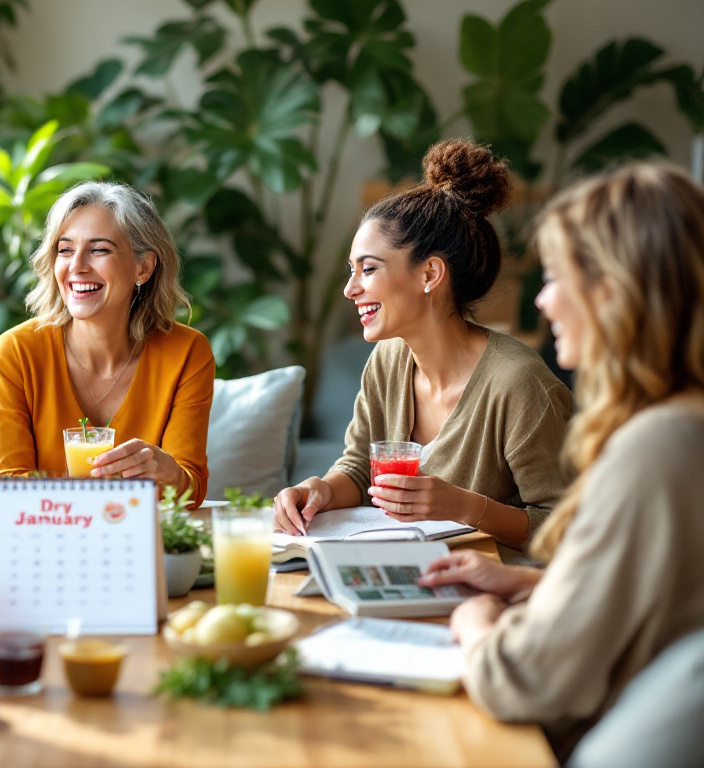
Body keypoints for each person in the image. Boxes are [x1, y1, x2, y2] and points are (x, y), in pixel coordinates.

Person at [418, 163, 704, 759]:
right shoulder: (685, 427)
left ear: (612, 289)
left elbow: (524, 678)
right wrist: (531, 582)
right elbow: (663, 598)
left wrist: (476, 624)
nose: (543, 302)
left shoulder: (658, 449)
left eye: (553, 277)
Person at [273, 140, 572, 554]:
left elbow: (564, 528)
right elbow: (360, 469)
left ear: (429, 273)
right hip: (405, 573)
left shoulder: (518, 384)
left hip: (499, 595)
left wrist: (464, 506)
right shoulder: (388, 361)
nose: (350, 289)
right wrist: (319, 490)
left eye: (369, 269)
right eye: (351, 270)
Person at [0, 181, 214, 519]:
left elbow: (190, 490)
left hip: (142, 546)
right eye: (65, 249)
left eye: (99, 250)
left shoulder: (188, 352)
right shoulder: (17, 351)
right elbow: (13, 480)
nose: (77, 266)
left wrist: (168, 472)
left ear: (143, 267)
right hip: (47, 546)